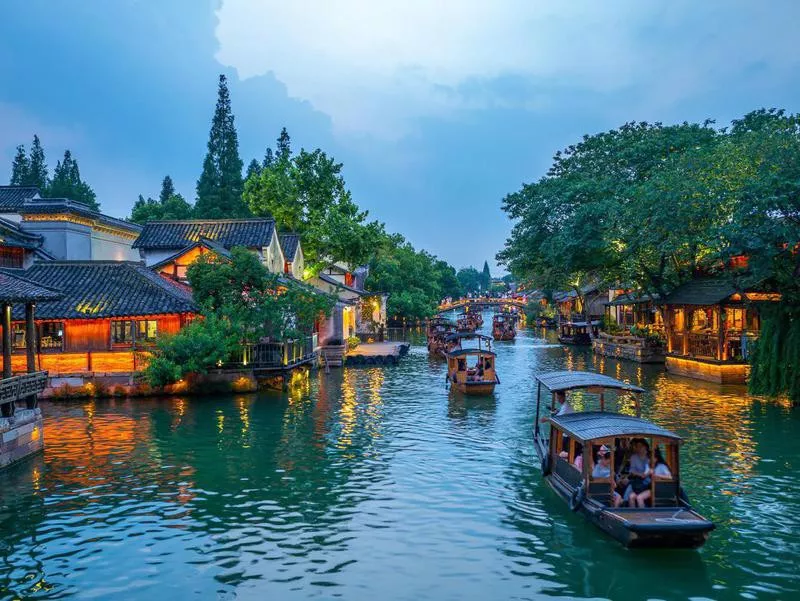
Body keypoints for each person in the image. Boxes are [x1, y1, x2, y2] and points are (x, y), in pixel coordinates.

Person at [625, 438, 652, 507]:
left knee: (638, 497)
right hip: (638, 482)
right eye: (637, 446)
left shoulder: (650, 457)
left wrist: (646, 474)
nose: (639, 448)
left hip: (649, 483)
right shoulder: (634, 457)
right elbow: (632, 471)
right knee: (630, 496)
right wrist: (640, 475)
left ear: (645, 447)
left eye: (640, 446)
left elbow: (652, 469)